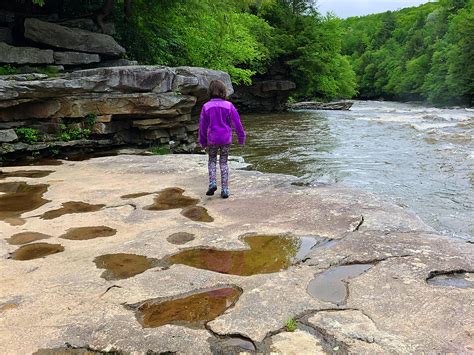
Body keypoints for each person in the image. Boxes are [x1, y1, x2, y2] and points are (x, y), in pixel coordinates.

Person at [199, 80, 246, 199]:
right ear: (223, 91)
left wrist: (203, 141)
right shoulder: (229, 106)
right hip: (225, 139)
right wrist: (241, 137)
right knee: (224, 162)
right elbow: (237, 123)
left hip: (212, 139)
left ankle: (212, 183)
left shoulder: (206, 106)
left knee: (212, 161)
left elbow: (203, 126)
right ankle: (224, 189)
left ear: (210, 92)